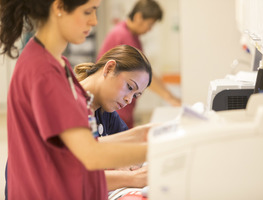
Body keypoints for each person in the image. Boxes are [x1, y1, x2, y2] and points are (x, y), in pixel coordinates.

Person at [0, 0, 152, 199]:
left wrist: (145, 134)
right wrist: (156, 151)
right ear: (59, 7)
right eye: (88, 11)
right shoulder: (44, 72)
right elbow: (88, 154)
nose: (94, 21)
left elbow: (86, 145)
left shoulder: (57, 64)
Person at [74, 45, 150, 191]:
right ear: (109, 69)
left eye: (135, 95)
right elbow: (78, 174)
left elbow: (126, 152)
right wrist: (134, 177)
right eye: (129, 87)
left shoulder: (105, 112)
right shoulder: (70, 102)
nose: (129, 100)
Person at [97, 0, 181, 129]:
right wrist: (170, 98)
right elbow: (142, 75)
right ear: (138, 17)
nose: (149, 29)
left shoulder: (131, 35)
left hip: (122, 107)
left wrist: (170, 96)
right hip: (116, 106)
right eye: (149, 24)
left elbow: (146, 72)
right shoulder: (123, 35)